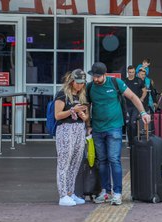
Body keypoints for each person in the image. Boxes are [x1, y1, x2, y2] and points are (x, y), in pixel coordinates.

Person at [87, 62, 151, 206]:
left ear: (105, 74)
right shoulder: (90, 87)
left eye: (98, 76)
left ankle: (117, 193)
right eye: (93, 77)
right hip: (97, 129)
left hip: (114, 127)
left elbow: (133, 97)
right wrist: (88, 125)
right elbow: (87, 106)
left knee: (114, 159)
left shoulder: (116, 83)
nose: (95, 79)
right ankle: (105, 192)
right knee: (102, 161)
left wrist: (143, 113)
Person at [54, 69, 89, 206]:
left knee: (75, 162)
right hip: (65, 129)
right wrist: (72, 110)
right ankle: (63, 195)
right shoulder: (63, 94)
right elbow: (57, 115)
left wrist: (82, 115)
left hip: (79, 129)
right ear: (72, 81)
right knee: (64, 162)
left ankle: (70, 192)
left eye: (82, 83)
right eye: (78, 82)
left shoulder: (81, 95)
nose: (80, 85)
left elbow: (85, 117)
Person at [123, 65, 147, 149]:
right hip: (127, 106)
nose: (131, 74)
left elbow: (144, 91)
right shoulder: (124, 81)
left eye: (133, 72)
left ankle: (134, 142)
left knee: (133, 123)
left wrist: (141, 99)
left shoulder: (139, 80)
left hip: (136, 106)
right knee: (128, 124)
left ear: (135, 72)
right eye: (130, 72)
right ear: (127, 72)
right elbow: (121, 92)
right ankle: (130, 143)